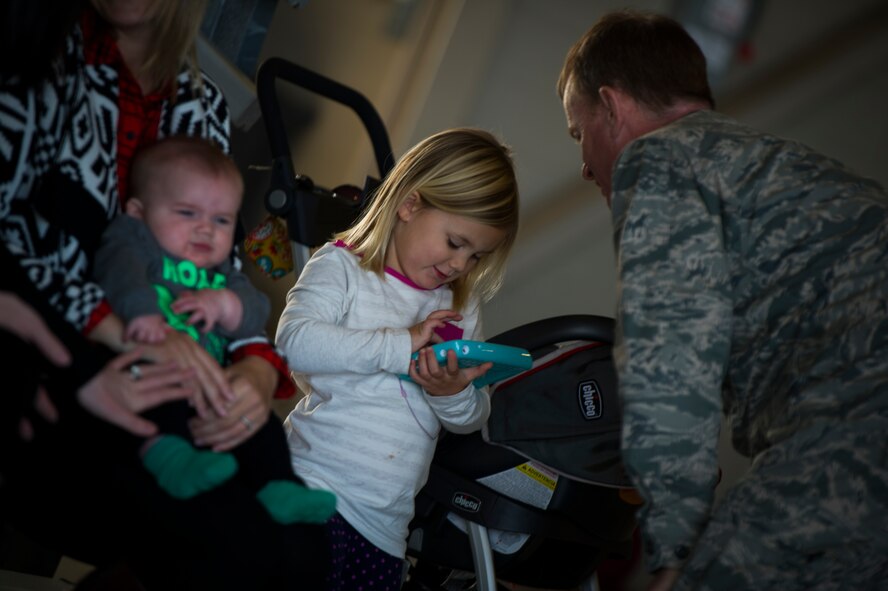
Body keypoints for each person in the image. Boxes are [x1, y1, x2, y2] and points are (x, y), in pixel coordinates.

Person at [1, 0, 329, 587]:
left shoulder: (200, 103)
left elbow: (225, 272)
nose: (205, 226)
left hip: (187, 370)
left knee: (305, 551)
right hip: (62, 362)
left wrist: (257, 368)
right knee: (239, 547)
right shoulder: (35, 55)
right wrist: (124, 334)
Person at [558, 9, 888, 591]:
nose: (584, 166)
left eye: (578, 133)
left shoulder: (659, 158)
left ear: (611, 106)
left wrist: (674, 551)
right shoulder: (780, 164)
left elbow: (670, 365)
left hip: (858, 425)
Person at [276, 127, 520, 590]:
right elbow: (295, 342)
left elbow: (472, 416)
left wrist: (450, 393)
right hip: (310, 487)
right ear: (409, 205)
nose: (460, 265)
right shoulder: (342, 266)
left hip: (387, 529)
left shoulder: (459, 304)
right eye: (455, 242)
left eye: (476, 257)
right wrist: (401, 343)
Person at [91, 135, 336, 521]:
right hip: (152, 360)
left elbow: (256, 309)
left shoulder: (220, 272)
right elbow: (119, 272)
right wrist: (141, 314)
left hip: (210, 379)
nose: (206, 229)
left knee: (264, 426)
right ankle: (169, 459)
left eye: (221, 220)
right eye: (187, 213)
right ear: (138, 212)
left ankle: (276, 486)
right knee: (158, 404)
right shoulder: (136, 241)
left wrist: (225, 304)